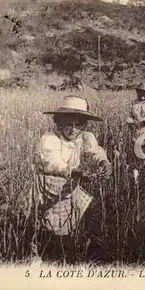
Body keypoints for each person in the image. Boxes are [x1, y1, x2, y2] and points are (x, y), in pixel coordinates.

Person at [26, 95, 112, 264]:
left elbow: (95, 152)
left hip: (67, 185)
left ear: (84, 125)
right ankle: (32, 252)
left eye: (78, 124)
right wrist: (74, 172)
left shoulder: (85, 137)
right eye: (69, 124)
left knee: (64, 220)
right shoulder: (50, 139)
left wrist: (103, 162)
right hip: (46, 186)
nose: (73, 129)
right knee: (37, 218)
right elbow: (52, 163)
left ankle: (61, 251)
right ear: (59, 123)